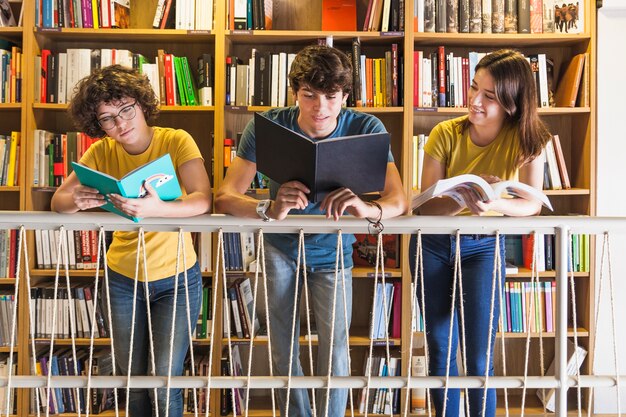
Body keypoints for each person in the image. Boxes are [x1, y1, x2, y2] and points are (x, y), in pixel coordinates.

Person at [214, 45, 407, 417]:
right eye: (309, 96)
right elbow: (224, 196)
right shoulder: (267, 125)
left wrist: (368, 209)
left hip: (334, 249)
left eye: (332, 97)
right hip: (278, 248)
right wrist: (268, 208)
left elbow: (399, 199)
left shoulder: (366, 127)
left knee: (334, 347)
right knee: (281, 345)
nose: (320, 107)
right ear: (294, 92)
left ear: (345, 96)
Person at [51, 64, 212, 417]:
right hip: (122, 278)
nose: (120, 124)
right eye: (107, 119)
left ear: (141, 103)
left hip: (177, 277)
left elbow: (203, 200)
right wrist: (76, 201)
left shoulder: (176, 139)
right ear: (98, 125)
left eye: (126, 110)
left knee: (166, 378)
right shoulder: (101, 152)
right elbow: (58, 203)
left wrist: (156, 209)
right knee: (133, 380)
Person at [410, 49, 552, 417]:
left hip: (485, 246)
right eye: (474, 88)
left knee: (480, 355)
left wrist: (495, 204)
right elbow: (425, 205)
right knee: (439, 349)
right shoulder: (445, 132)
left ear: (512, 102)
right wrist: (462, 198)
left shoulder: (530, 140)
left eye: (488, 96)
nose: (474, 101)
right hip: (433, 245)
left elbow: (532, 204)